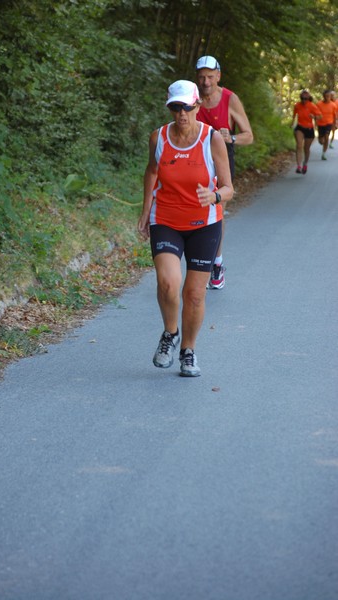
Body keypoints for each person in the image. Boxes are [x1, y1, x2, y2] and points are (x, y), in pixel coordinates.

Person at [137, 80, 233, 377]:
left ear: (198, 106)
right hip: (165, 218)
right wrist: (144, 211)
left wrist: (214, 196)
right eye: (175, 107)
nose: (181, 114)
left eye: (187, 107)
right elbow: (152, 172)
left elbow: (229, 188)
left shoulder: (211, 138)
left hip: (204, 223)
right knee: (168, 282)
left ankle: (188, 351)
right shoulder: (159, 137)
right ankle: (170, 333)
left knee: (194, 294)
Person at [195, 55, 253, 289]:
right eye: (201, 77)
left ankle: (216, 264)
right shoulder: (192, 98)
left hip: (221, 161)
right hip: (194, 160)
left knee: (216, 211)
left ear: (218, 76)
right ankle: (195, 263)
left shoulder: (230, 99)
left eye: (210, 76)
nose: (206, 81)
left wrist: (232, 137)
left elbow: (249, 135)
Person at [291, 89, 321, 174]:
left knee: (306, 148)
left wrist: (314, 116)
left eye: (305, 99)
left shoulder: (312, 106)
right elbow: (294, 115)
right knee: (299, 145)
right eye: (302, 98)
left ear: (308, 98)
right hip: (300, 127)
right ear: (300, 98)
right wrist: (292, 123)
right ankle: (299, 166)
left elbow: (320, 116)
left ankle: (305, 163)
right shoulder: (297, 105)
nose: (304, 100)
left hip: (309, 128)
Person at [316, 89, 337, 160]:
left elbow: (335, 115)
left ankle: (324, 153)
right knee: (321, 141)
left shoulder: (333, 105)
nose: (327, 98)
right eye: (326, 96)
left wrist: (335, 123)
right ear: (323, 96)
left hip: (329, 123)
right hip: (320, 124)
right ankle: (322, 141)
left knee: (327, 136)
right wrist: (315, 122)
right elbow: (316, 114)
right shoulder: (319, 104)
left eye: (329, 96)